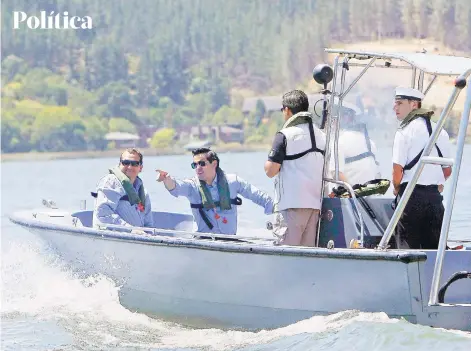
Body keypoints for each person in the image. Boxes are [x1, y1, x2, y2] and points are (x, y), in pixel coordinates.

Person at [156, 148, 274, 235]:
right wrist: (167, 179)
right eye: (194, 165)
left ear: (214, 164)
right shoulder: (192, 186)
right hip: (203, 243)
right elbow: (176, 187)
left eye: (202, 163)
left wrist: (277, 210)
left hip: (229, 242)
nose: (198, 168)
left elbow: (257, 195)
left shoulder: (233, 181)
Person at [392, 86, 452, 249]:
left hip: (410, 198)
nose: (394, 107)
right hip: (434, 199)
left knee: (407, 251)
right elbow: (447, 170)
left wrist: (397, 188)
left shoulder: (404, 132)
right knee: (435, 250)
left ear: (413, 105)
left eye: (399, 103)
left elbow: (397, 170)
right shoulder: (441, 132)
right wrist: (434, 182)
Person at [264, 89, 326, 246]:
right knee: (307, 259)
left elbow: (270, 171)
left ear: (287, 110)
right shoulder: (322, 135)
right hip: (314, 208)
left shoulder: (284, 135)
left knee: (285, 259)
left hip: (290, 206)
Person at [93, 148, 153, 233]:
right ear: (119, 164)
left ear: (140, 168)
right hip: (112, 239)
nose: (129, 167)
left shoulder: (143, 192)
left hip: (138, 241)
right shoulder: (110, 182)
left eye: (135, 164)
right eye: (126, 163)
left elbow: (148, 224)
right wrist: (130, 230)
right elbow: (103, 215)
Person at [330, 101, 381, 186]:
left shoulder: (339, 142)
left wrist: (353, 193)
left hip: (351, 197)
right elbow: (378, 174)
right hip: (370, 196)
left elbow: (336, 173)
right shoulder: (370, 142)